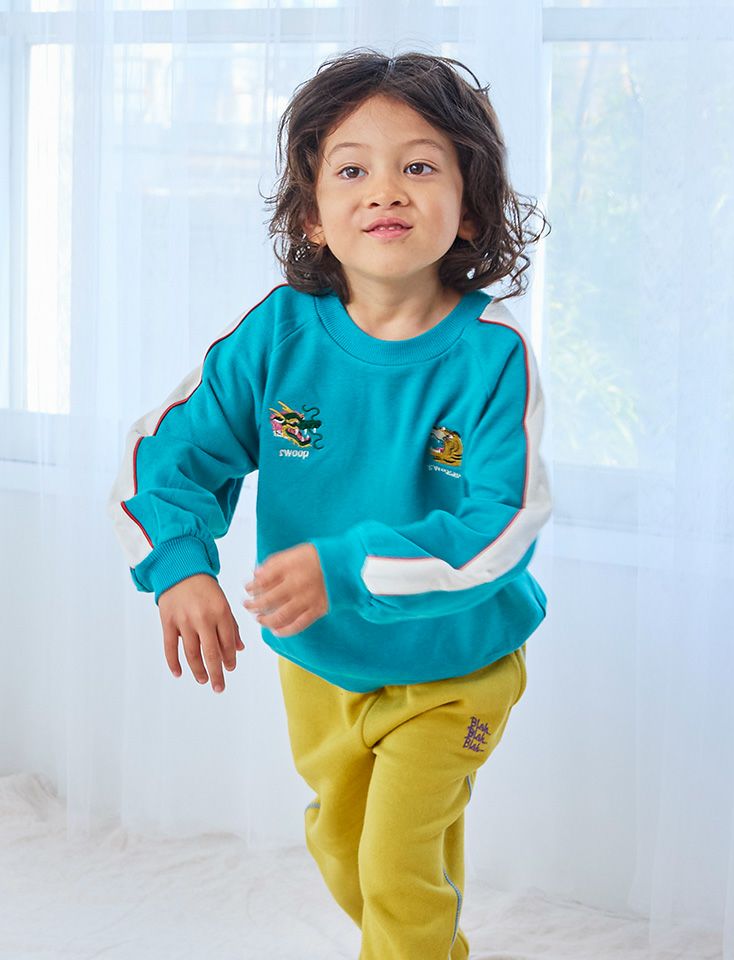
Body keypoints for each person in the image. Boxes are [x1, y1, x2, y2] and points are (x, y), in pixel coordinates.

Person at [107, 47, 552, 960]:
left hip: (455, 661)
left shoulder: (492, 356)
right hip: (321, 662)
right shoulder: (276, 333)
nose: (385, 189)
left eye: (419, 166)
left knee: (395, 864)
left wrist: (347, 566)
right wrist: (180, 566)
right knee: (347, 852)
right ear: (311, 215)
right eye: (352, 170)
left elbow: (501, 528)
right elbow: (168, 454)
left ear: (468, 209)